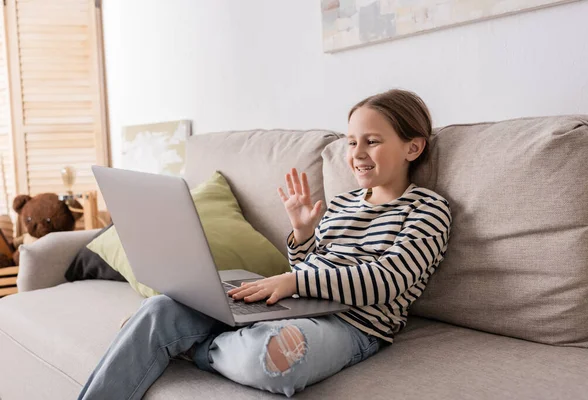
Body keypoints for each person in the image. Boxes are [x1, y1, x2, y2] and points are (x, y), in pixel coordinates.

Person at [78, 89, 452, 399]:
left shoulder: (428, 209)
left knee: (274, 358)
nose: (356, 153)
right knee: (160, 307)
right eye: (352, 141)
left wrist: (293, 281)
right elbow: (309, 264)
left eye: (372, 141)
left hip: (355, 324)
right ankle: (175, 331)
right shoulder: (342, 203)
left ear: (412, 148)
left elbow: (386, 281)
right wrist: (303, 234)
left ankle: (192, 345)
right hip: (296, 301)